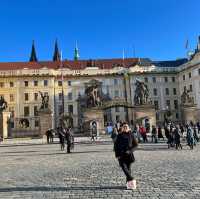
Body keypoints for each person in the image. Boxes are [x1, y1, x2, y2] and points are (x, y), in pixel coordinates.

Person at [114, 122, 138, 190]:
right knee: (124, 168)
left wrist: (130, 151)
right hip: (121, 155)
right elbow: (115, 146)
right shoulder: (119, 135)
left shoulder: (131, 135)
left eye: (126, 126)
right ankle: (131, 178)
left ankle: (129, 184)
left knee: (129, 169)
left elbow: (136, 145)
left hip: (128, 155)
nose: (125, 127)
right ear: (122, 128)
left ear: (129, 128)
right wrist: (117, 155)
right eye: (124, 127)